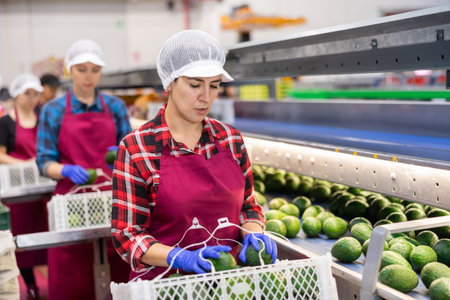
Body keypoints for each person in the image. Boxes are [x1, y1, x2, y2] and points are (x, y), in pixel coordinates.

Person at [111, 30, 277, 281]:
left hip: (229, 283)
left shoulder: (230, 140)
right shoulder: (137, 149)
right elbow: (127, 236)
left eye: (215, 85)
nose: (206, 97)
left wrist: (254, 233)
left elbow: (248, 207)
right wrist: (178, 257)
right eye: (195, 84)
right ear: (169, 83)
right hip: (165, 285)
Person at [36, 39, 132, 299]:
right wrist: (65, 170)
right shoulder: (53, 111)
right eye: (81, 69)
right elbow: (44, 161)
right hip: (71, 202)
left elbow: (132, 157)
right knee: (73, 278)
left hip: (111, 198)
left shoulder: (115, 107)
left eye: (95, 69)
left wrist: (121, 155)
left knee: (119, 277)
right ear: (69, 71)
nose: (89, 76)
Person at [0, 73, 47, 299]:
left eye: (35, 93)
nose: (31, 98)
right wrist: (26, 164)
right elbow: (0, 155)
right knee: (23, 240)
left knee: (46, 237)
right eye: (27, 93)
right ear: (17, 95)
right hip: (18, 192)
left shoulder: (44, 118)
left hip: (43, 189)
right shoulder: (7, 122)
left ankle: (49, 280)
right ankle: (30, 285)